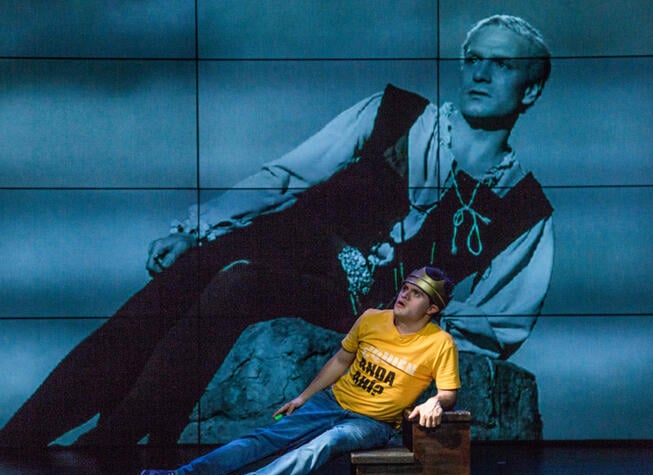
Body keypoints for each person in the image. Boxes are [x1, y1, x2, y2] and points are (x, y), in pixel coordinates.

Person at [0, 14, 554, 448]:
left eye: (502, 66)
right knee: (200, 264)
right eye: (474, 59)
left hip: (356, 309)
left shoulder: (524, 209)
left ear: (529, 91)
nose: (481, 73)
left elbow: (495, 330)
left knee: (241, 283)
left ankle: (113, 440)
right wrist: (199, 225)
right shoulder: (394, 114)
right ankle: (22, 438)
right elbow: (288, 176)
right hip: (298, 242)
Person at [140, 266, 459, 475]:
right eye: (405, 288)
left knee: (329, 441)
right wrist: (304, 397)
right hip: (331, 402)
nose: (404, 295)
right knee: (265, 436)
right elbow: (341, 361)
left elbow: (448, 393)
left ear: (432, 308)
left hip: (372, 423)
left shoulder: (439, 343)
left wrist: (435, 401)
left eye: (416, 294)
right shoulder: (372, 318)